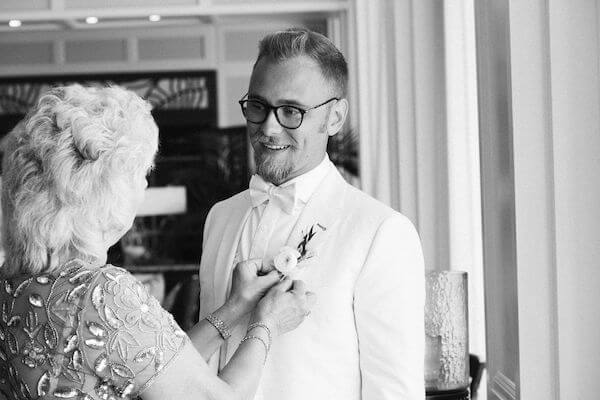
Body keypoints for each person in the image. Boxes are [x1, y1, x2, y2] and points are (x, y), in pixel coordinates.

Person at [0, 84, 313, 400]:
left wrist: (235, 308)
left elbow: (157, 366)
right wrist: (267, 324)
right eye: (140, 172)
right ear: (108, 192)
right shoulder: (102, 292)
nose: (146, 184)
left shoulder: (10, 287)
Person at [199, 28, 425, 400]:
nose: (268, 128)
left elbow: (395, 391)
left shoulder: (381, 232)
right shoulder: (220, 217)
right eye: (257, 106)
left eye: (291, 111)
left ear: (335, 117)